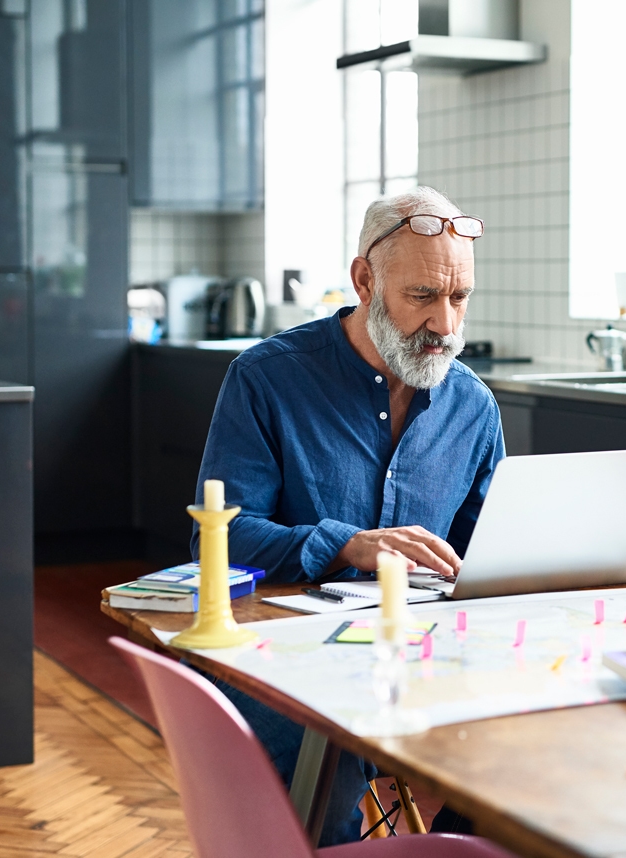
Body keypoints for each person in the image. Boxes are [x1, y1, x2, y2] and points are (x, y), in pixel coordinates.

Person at [191, 186, 504, 845]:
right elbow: (217, 541)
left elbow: (490, 558)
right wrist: (349, 545)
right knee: (327, 774)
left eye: (460, 298)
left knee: (525, 752)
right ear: (365, 279)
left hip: (417, 651)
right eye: (423, 296)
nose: (446, 324)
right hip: (280, 655)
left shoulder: (473, 407)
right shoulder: (266, 379)